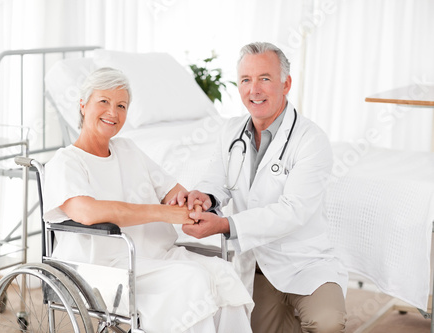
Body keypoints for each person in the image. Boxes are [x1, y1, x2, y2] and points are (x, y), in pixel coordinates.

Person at [42, 67, 253, 333]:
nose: (113, 112)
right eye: (103, 102)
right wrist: (163, 214)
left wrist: (192, 205)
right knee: (193, 280)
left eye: (121, 105)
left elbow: (173, 191)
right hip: (107, 269)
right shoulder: (67, 162)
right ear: (83, 105)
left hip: (155, 256)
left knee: (224, 274)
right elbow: (87, 212)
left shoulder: (128, 149)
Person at [170, 42, 348, 332]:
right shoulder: (230, 132)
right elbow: (216, 181)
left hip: (306, 261)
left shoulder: (311, 140)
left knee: (327, 322)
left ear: (285, 83)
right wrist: (203, 197)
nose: (254, 90)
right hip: (258, 264)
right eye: (245, 80)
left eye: (264, 78)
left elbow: (294, 211)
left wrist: (225, 224)